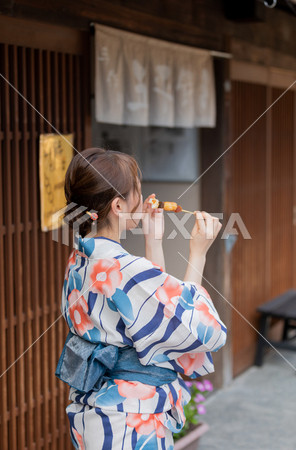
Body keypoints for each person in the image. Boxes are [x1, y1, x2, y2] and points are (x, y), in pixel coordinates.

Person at [56, 147, 227, 449]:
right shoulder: (124, 268)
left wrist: (153, 241)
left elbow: (150, 317)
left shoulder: (81, 258)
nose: (142, 195)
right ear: (119, 205)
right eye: (137, 189)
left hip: (97, 410)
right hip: (130, 421)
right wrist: (198, 253)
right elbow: (197, 328)